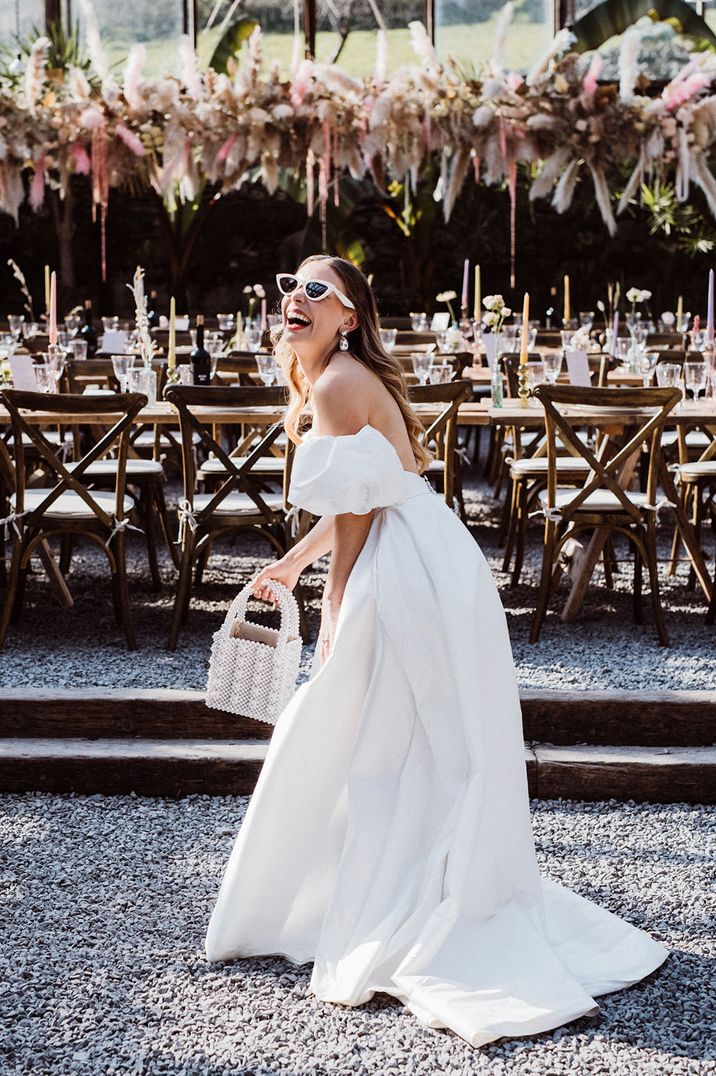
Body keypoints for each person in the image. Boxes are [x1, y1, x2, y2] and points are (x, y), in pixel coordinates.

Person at [205, 256, 668, 1048]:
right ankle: (396, 885)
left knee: (374, 733)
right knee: (410, 739)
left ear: (349, 316)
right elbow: (375, 489)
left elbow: (358, 516)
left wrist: (335, 609)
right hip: (426, 553)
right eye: (292, 285)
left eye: (319, 290)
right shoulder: (340, 377)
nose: (297, 297)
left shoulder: (334, 384)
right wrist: (295, 563)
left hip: (403, 572)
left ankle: (390, 901)